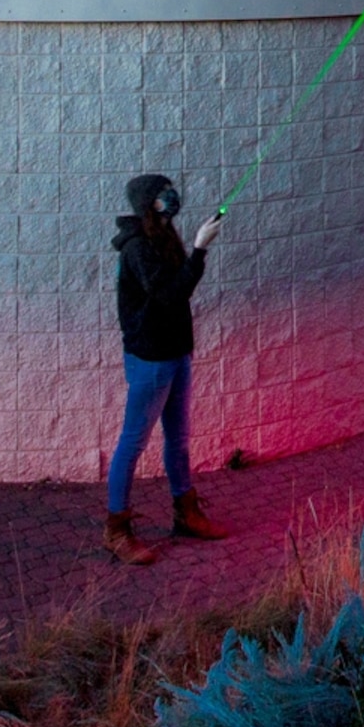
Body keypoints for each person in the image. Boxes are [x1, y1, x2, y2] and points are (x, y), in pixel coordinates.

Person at [105, 172, 231, 564]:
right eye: (163, 194)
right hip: (151, 359)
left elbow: (177, 291)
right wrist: (200, 250)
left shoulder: (163, 236)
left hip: (176, 353)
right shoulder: (137, 249)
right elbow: (171, 293)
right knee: (133, 441)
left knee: (178, 438)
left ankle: (185, 512)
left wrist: (194, 251)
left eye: (170, 191)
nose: (171, 197)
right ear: (148, 203)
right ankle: (116, 529)